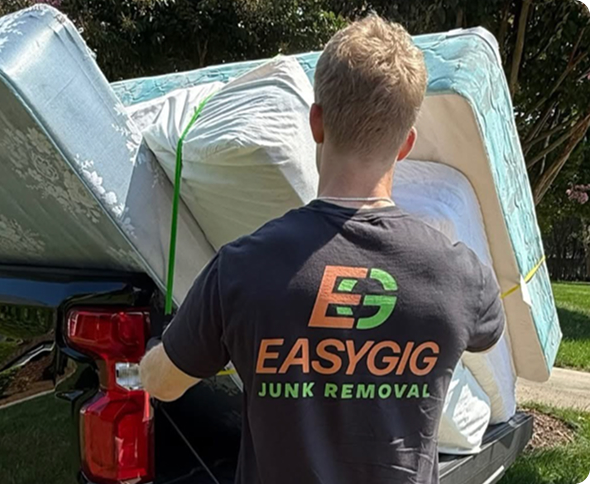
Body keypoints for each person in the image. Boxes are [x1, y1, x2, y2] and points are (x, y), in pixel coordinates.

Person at [139, 14, 506, 484]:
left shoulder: (243, 269)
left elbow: (163, 384)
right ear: (405, 144)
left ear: (316, 122)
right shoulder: (460, 276)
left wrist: (154, 349)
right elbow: (488, 332)